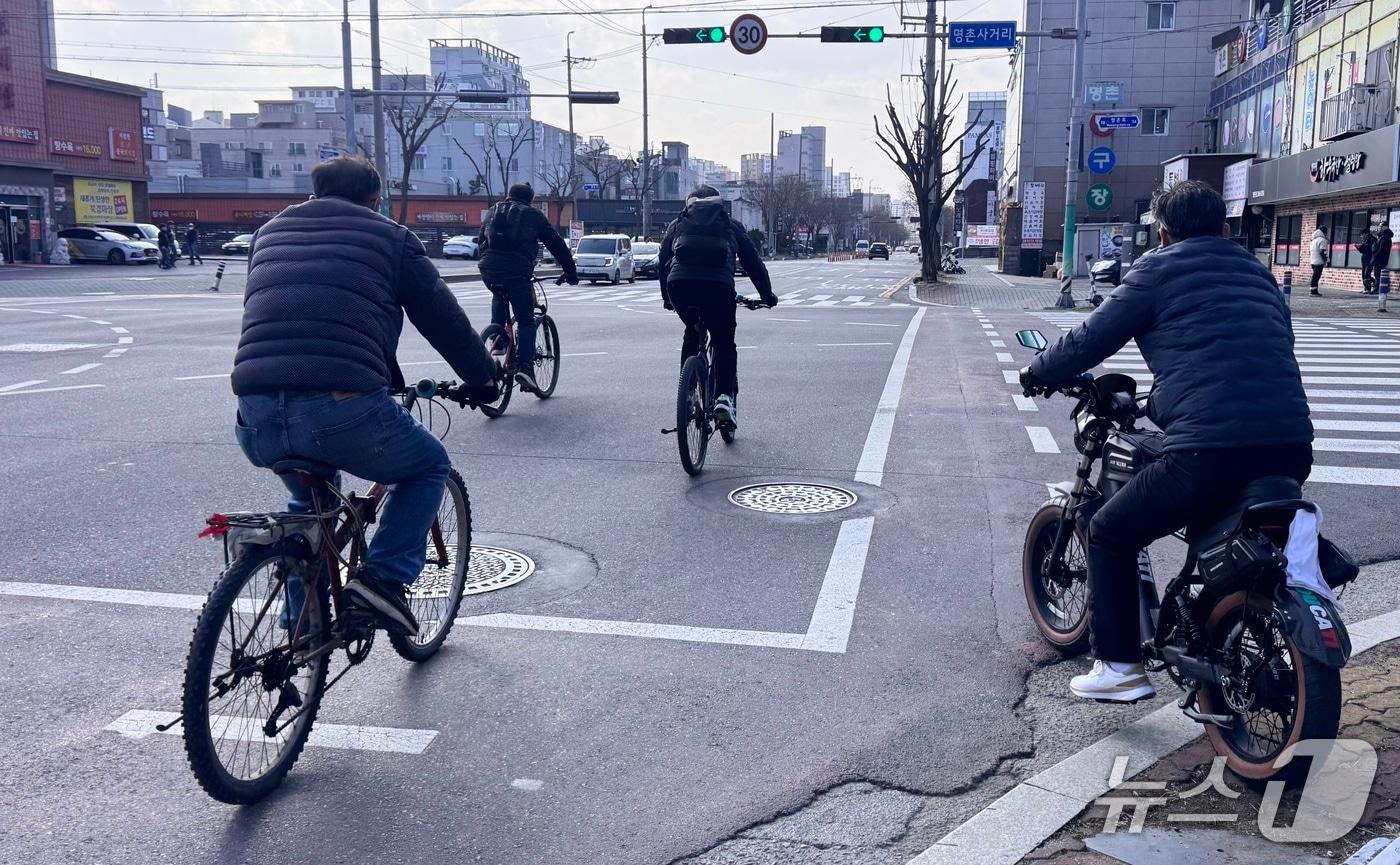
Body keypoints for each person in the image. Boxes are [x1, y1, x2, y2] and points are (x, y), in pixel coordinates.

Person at [1019, 180, 1313, 703]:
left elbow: (1090, 338)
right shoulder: (1260, 275)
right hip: (1291, 447)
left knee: (1109, 529)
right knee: (1214, 525)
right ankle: (1214, 627)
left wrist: (1039, 370)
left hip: (1209, 450)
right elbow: (1254, 355)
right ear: (1225, 229)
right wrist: (1162, 402)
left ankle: (1120, 669)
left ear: (1163, 233)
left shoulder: (1157, 268)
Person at [231, 156, 501, 637]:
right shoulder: (391, 238)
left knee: (307, 503)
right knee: (427, 466)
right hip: (341, 404)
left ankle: (301, 629)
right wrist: (483, 380)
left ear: (313, 193)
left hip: (255, 413)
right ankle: (383, 581)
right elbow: (444, 320)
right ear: (375, 201)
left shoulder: (268, 233)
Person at [658, 184, 777, 431]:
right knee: (724, 342)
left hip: (679, 286)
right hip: (719, 288)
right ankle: (724, 398)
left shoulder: (677, 225)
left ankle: (688, 394)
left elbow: (663, 262)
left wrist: (667, 298)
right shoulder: (730, 225)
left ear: (688, 205)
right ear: (719, 205)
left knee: (692, 332)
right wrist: (767, 295)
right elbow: (753, 263)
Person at [475, 183, 578, 394]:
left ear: (509, 195)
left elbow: (481, 239)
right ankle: (526, 369)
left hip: (488, 268)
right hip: (517, 271)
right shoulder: (532, 215)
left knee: (498, 292)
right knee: (526, 321)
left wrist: (489, 262)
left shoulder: (494, 211)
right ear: (530, 200)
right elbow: (555, 243)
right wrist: (570, 272)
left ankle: (499, 338)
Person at [1370, 224, 1394, 293]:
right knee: (1377, 274)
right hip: (1379, 259)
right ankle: (1378, 288)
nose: (1379, 227)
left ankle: (1378, 288)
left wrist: (1374, 247)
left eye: (1381, 226)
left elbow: (1381, 250)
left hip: (1380, 259)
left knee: (1378, 274)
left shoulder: (1385, 238)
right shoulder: (1382, 237)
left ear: (1385, 227)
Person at [1309, 224, 1329, 296]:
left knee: (1315, 276)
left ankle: (1313, 290)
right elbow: (1323, 251)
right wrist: (1326, 260)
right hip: (1319, 261)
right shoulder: (1322, 240)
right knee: (1316, 277)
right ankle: (1313, 291)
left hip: (1313, 260)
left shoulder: (1313, 240)